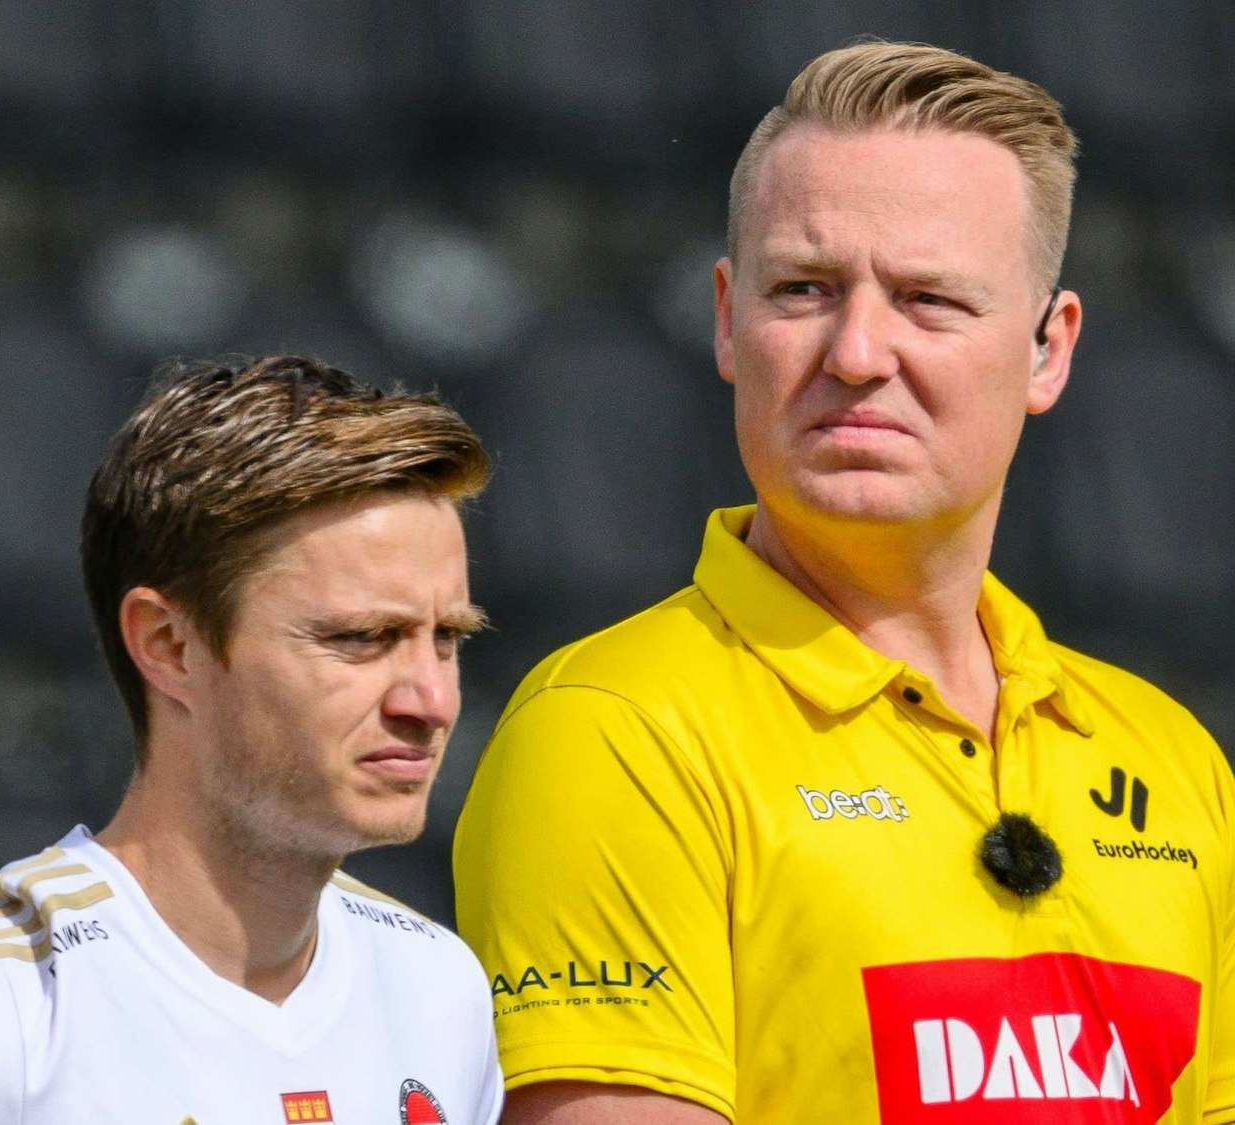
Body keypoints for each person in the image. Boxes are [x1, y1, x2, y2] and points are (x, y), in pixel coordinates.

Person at [453, 41, 1235, 1124]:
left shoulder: (1172, 759)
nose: (857, 351)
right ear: (727, 320)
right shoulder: (612, 731)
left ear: (1047, 351)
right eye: (804, 289)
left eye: (926, 300)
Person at [0, 355, 503, 1123]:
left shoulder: (437, 986)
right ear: (169, 645)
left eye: (449, 638)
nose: (430, 699)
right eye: (363, 637)